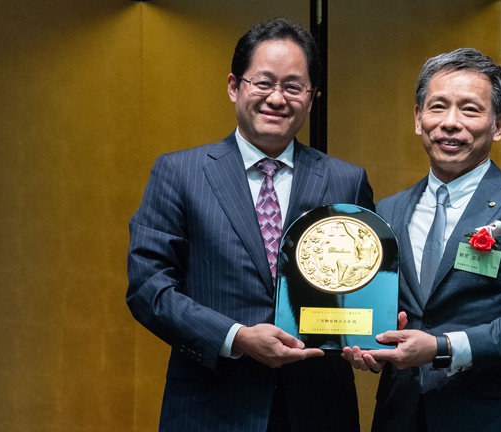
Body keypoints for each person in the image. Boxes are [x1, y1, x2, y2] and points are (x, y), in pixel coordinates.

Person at [127, 18, 373, 432]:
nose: (277, 98)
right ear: (233, 86)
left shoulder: (346, 179)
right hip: (210, 405)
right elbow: (148, 287)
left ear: (311, 98)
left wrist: (372, 328)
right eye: (263, 83)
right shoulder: (179, 172)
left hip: (318, 406)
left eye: (294, 86)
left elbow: (361, 282)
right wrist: (236, 336)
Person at [341, 48, 501, 431]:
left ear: (499, 125)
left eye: (469, 110)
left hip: (493, 419)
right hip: (400, 416)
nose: (450, 123)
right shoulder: (385, 212)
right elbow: (381, 309)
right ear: (418, 118)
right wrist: (366, 346)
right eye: (437, 107)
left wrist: (442, 347)